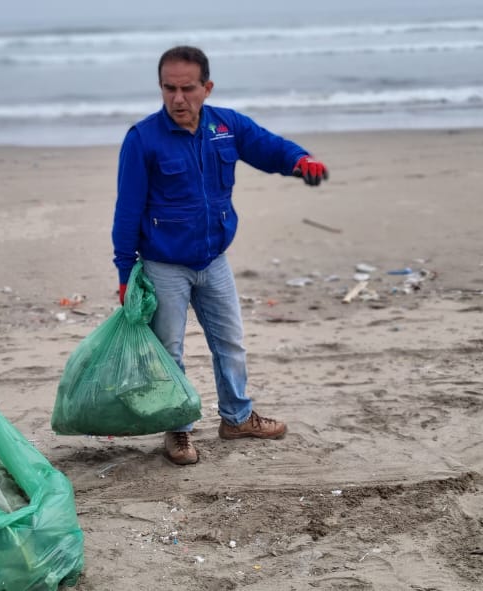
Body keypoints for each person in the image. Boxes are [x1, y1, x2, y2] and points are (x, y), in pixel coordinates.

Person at [111, 46, 329, 466]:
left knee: (230, 343)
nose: (178, 98)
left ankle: (237, 418)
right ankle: (178, 431)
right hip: (163, 265)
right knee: (169, 352)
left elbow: (267, 147)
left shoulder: (227, 126)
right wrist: (125, 273)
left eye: (187, 88)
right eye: (169, 88)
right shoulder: (142, 139)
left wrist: (299, 160)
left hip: (214, 260)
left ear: (207, 88)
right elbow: (127, 210)